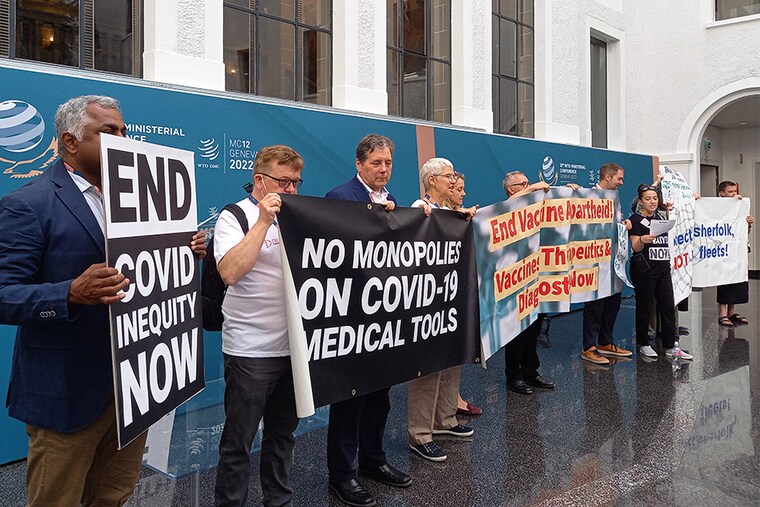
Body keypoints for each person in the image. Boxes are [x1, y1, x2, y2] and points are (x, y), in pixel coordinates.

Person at [0, 95, 207, 507]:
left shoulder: (146, 201)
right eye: (108, 132)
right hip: (66, 393)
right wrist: (69, 293)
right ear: (70, 142)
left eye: (124, 131)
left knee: (113, 495)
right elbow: (4, 295)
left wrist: (185, 250)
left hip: (136, 385)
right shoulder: (28, 204)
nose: (123, 140)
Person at [213, 145, 304, 507]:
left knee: (283, 435)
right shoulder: (234, 217)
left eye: (296, 182)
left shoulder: (297, 215)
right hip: (250, 350)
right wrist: (263, 221)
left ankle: (278, 500)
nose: (292, 190)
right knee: (239, 441)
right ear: (260, 181)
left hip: (294, 348)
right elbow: (230, 271)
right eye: (284, 182)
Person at [324, 134, 410, 507]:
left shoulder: (392, 200)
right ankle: (342, 475)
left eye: (388, 163)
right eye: (376, 163)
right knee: (349, 401)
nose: (383, 169)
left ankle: (374, 462)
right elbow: (329, 252)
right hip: (350, 319)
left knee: (380, 399)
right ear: (359, 164)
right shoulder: (339, 197)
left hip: (384, 319)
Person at [407, 158, 475, 463]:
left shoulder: (453, 213)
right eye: (448, 176)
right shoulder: (418, 208)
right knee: (428, 368)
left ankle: (445, 419)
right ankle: (420, 433)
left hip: (452, 297)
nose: (454, 180)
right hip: (428, 303)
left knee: (452, 361)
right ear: (432, 180)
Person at [501, 171, 555, 395]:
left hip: (535, 276)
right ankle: (513, 375)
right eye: (522, 184)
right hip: (514, 278)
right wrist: (532, 188)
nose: (528, 185)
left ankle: (531, 371)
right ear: (510, 189)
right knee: (515, 332)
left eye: (528, 182)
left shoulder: (536, 206)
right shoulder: (505, 207)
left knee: (533, 328)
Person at [628, 184, 694, 361]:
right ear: (640, 201)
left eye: (655, 198)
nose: (652, 202)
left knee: (668, 307)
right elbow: (635, 247)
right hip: (644, 270)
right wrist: (643, 239)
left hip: (663, 270)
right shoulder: (635, 220)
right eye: (648, 199)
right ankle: (644, 343)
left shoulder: (662, 217)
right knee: (645, 307)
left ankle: (670, 345)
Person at [580, 163, 634, 365]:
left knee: (613, 301)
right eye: (619, 178)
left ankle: (605, 342)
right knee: (595, 304)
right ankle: (589, 347)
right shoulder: (588, 196)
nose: (621, 182)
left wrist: (624, 223)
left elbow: (615, 221)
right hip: (594, 260)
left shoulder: (614, 197)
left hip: (614, 259)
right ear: (608, 177)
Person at [444, 174, 483, 417]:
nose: (462, 193)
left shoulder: (462, 217)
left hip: (458, 296)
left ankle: (449, 407)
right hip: (440, 299)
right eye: (457, 188)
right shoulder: (427, 211)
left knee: (454, 359)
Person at [715, 180, 754, 327]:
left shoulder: (740, 207)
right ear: (722, 193)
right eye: (730, 192)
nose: (734, 194)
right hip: (723, 250)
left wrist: (748, 223)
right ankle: (723, 313)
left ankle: (732, 312)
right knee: (724, 280)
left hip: (738, 249)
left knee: (737, 278)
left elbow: (745, 232)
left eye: (735, 191)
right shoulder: (717, 209)